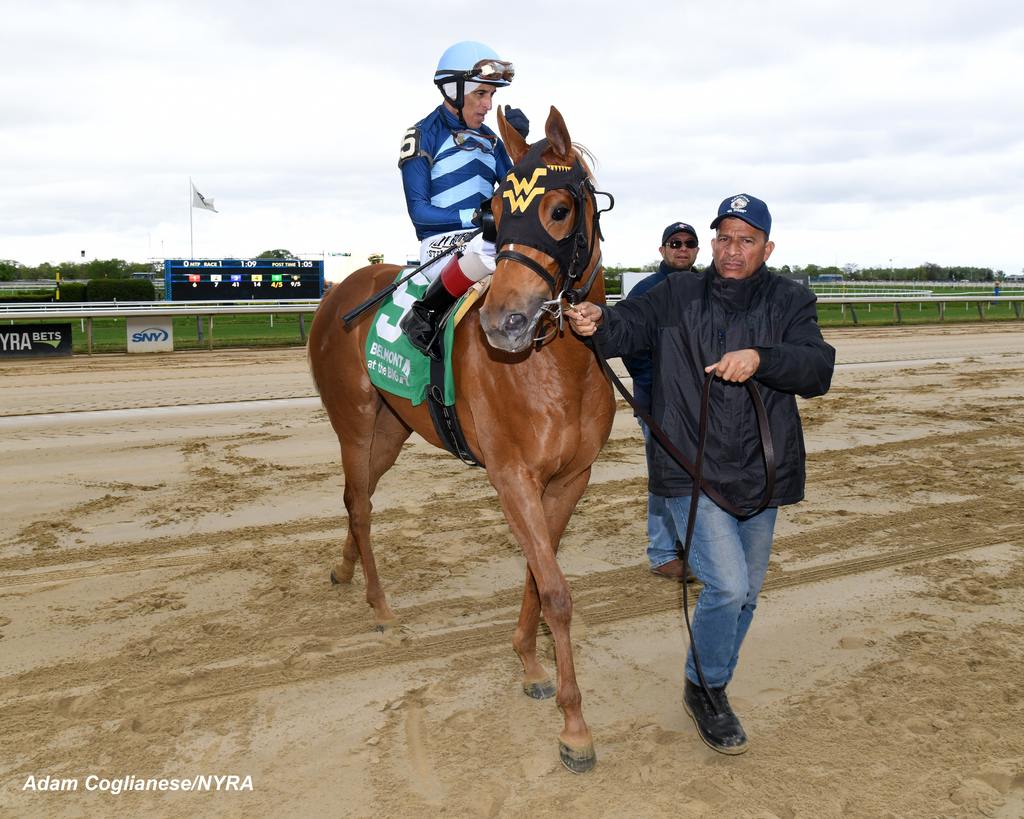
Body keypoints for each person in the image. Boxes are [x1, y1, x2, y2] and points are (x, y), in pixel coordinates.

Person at [565, 194, 835, 755]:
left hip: (762, 470)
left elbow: (817, 368)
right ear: (711, 243)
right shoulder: (677, 292)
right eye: (724, 238)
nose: (731, 250)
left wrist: (761, 357)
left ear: (767, 247)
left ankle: (705, 679)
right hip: (690, 467)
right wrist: (597, 322)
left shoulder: (792, 299)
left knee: (746, 595)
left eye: (746, 240)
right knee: (728, 585)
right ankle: (709, 690)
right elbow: (627, 327)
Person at [397, 40, 529, 356]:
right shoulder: (422, 134)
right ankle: (423, 314)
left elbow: (516, 193)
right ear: (454, 91)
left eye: (492, 95)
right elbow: (419, 212)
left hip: (484, 236)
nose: (488, 105)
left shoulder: (492, 141)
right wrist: (473, 216)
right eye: (480, 94)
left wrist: (519, 147)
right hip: (439, 244)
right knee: (487, 248)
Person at [621, 222, 701, 580]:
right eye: (675, 243)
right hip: (659, 402)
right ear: (663, 250)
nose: (682, 249)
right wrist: (658, 384)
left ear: (698, 250)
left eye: (689, 243)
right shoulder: (645, 291)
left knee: (702, 473)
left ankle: (693, 546)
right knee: (666, 475)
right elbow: (628, 344)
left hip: (704, 401)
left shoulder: (709, 288)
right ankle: (663, 552)